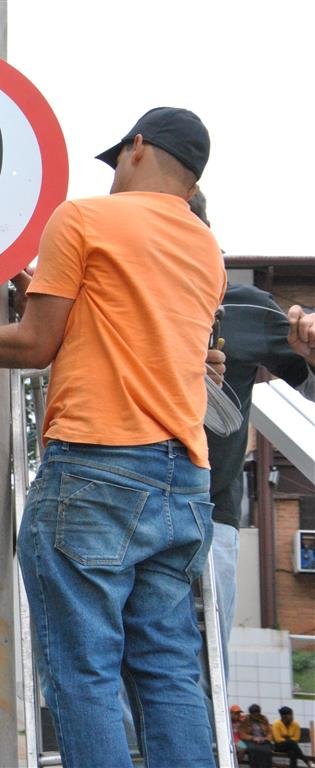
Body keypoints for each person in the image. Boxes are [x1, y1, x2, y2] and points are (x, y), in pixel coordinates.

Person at [0, 106, 223, 767]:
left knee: (83, 670)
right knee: (165, 672)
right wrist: (45, 284)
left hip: (96, 471)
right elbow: (123, 325)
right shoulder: (204, 248)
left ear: (134, 149)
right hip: (182, 483)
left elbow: (35, 343)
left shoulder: (83, 218)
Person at [191, 189, 315, 674]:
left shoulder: (242, 305)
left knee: (202, 667)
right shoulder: (126, 298)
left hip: (211, 511)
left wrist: (309, 347)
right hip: (131, 502)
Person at [240, 704, 275, 768]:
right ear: (251, 714)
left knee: (266, 750)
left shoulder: (264, 719)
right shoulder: (246, 720)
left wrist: (265, 738)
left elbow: (270, 732)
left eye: (257, 714)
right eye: (253, 714)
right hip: (251, 740)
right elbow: (242, 734)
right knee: (253, 749)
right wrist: (253, 738)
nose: (255, 716)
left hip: (263, 740)